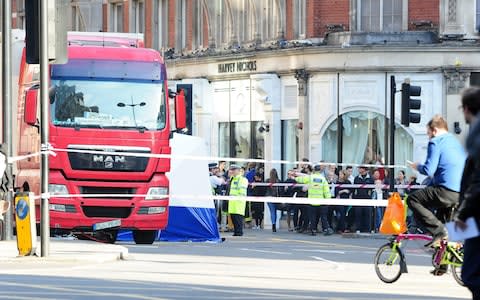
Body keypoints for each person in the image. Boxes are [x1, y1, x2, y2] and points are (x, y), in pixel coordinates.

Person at [407, 115, 467, 247]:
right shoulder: (454, 142)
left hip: (445, 190)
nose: (429, 137)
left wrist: (417, 166)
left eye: (428, 134)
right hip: (460, 192)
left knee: (412, 200)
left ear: (434, 130)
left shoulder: (436, 142)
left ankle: (439, 232)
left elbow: (429, 170)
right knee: (448, 236)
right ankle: (442, 267)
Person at [454, 87, 480, 299]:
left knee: (470, 274)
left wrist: (462, 214)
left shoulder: (476, 132)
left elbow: (477, 180)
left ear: (467, 109)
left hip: (476, 214)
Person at [294, 163, 333, 236]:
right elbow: (326, 190)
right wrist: (328, 200)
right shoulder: (323, 179)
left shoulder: (310, 178)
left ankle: (313, 230)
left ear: (314, 170)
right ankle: (325, 229)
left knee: (312, 217)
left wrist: (294, 178)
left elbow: (301, 179)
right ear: (320, 171)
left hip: (311, 201)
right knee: (321, 216)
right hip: (320, 201)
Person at [227, 164, 248, 236]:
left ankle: (239, 232)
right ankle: (236, 232)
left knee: (238, 218)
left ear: (238, 171)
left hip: (239, 202)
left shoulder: (242, 179)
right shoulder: (232, 179)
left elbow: (242, 191)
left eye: (233, 170)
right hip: (232, 202)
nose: (232, 171)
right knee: (233, 218)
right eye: (231, 170)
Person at [353, 165, 374, 233]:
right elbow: (354, 189)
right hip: (358, 199)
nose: (359, 170)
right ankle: (358, 229)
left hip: (368, 199)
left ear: (365, 170)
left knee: (368, 214)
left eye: (361, 169)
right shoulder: (356, 178)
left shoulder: (370, 178)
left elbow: (372, 189)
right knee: (358, 214)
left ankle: (368, 229)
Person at [266, 168, 281, 232]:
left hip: (269, 197)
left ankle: (273, 224)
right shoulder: (278, 181)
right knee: (275, 212)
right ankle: (274, 225)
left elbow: (265, 189)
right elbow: (280, 190)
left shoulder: (267, 181)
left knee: (272, 211)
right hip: (276, 198)